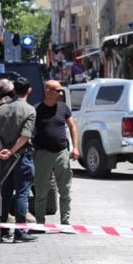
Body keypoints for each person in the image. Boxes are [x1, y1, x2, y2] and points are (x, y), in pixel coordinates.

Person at [0, 77, 37, 243]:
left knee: (4, 194)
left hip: (4, 159)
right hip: (21, 158)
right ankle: (20, 232)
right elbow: (25, 136)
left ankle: (2, 232)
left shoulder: (1, 109)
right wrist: (11, 151)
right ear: (29, 90)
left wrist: (2, 150)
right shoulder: (29, 110)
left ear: (15, 90)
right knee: (22, 195)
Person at [33, 79, 79, 226]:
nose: (60, 93)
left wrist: (76, 148)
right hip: (42, 154)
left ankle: (65, 221)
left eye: (61, 90)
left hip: (61, 152)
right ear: (47, 91)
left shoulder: (64, 108)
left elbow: (72, 128)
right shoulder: (36, 109)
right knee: (41, 190)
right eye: (57, 90)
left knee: (65, 189)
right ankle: (40, 222)